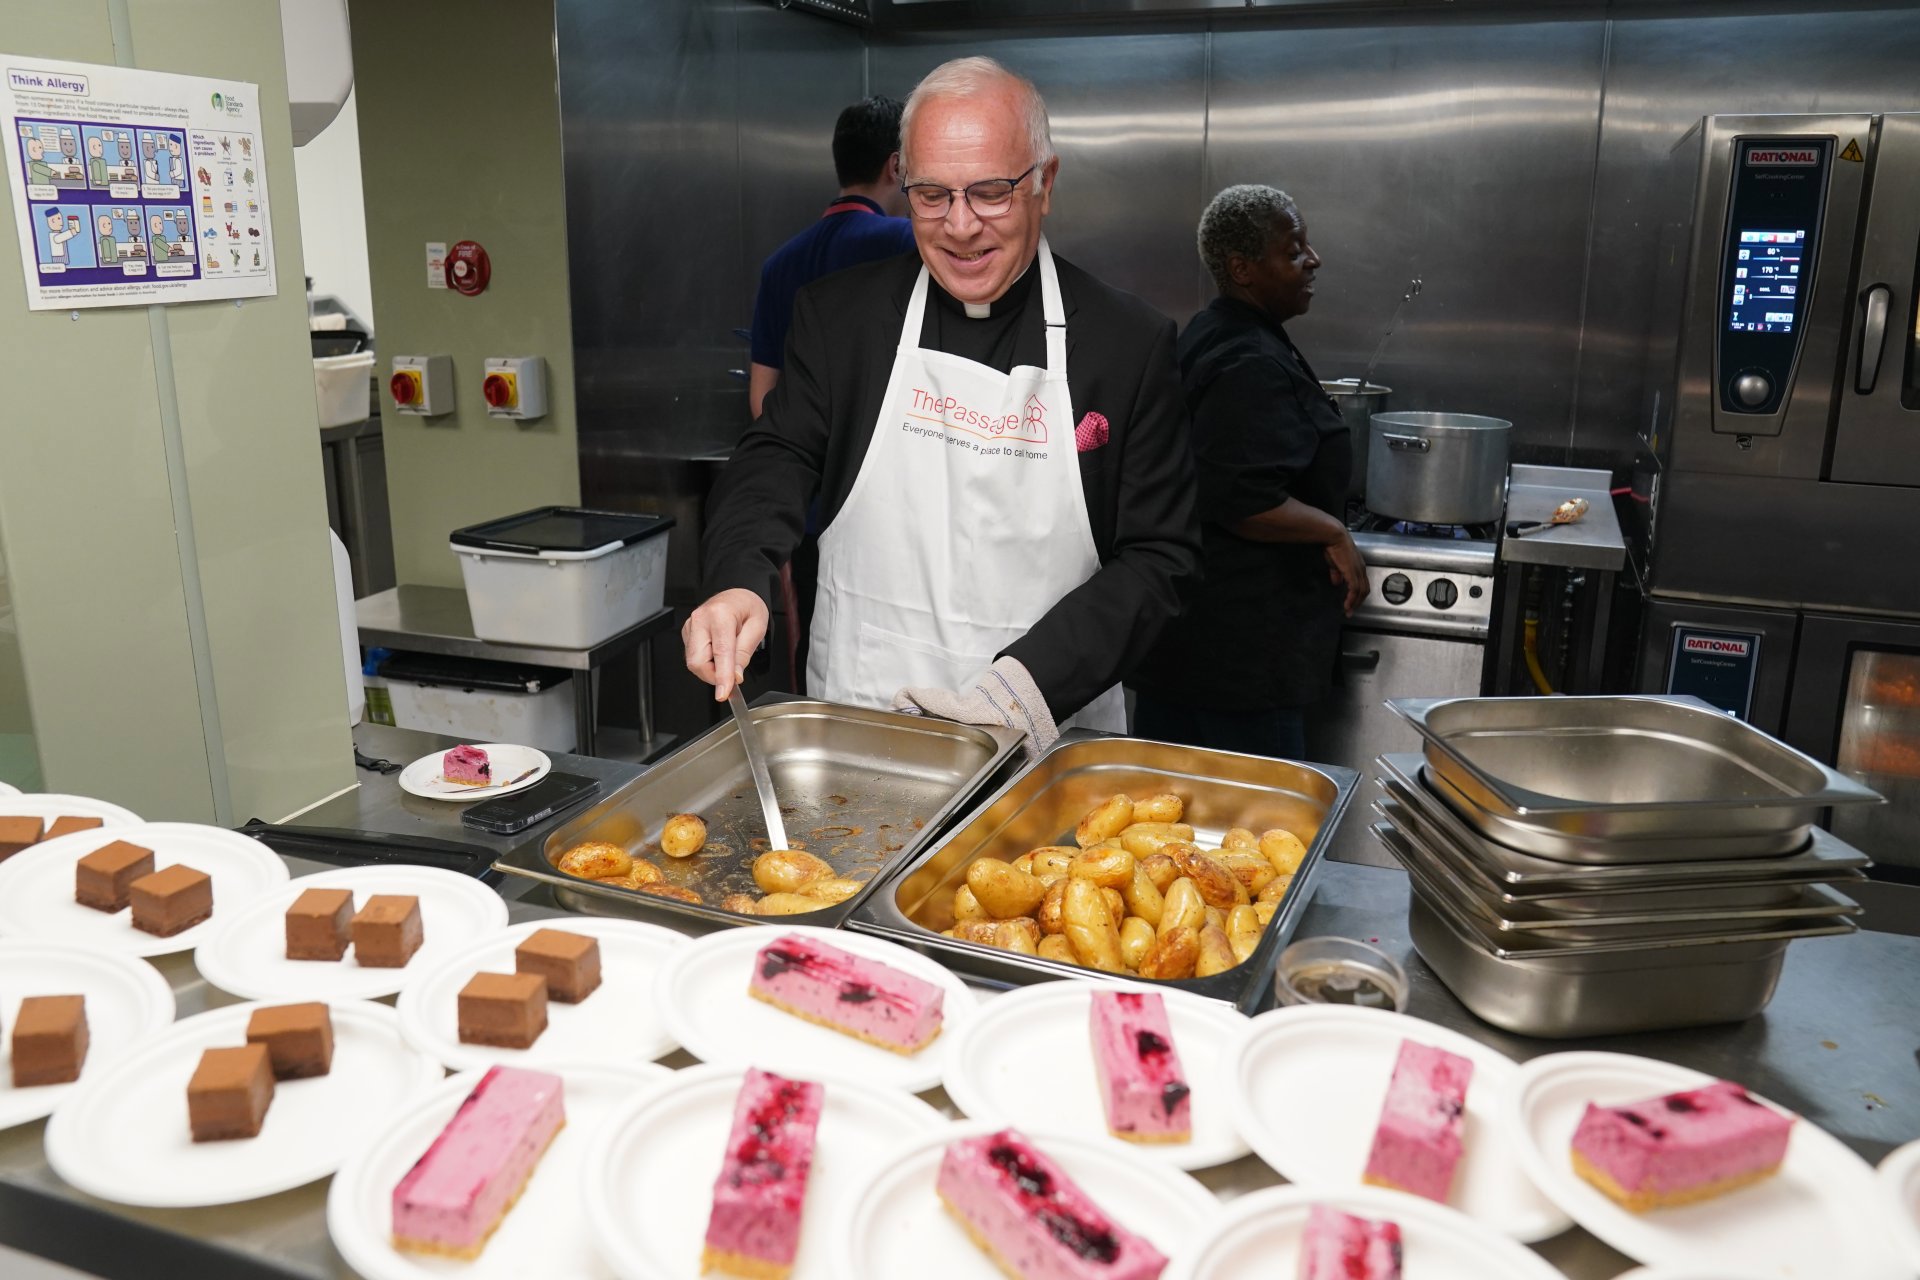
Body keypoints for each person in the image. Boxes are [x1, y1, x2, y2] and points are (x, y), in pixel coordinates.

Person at [687, 57, 1199, 750]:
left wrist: (1020, 688)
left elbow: (1159, 559)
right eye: (932, 195)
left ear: (1044, 183)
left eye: (990, 192)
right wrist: (737, 578)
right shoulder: (842, 319)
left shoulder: (1126, 344)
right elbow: (775, 454)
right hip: (863, 731)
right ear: (904, 183)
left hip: (1044, 735)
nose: (960, 226)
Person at [1128, 185, 1369, 760]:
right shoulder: (1248, 361)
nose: (1313, 260)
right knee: (1255, 829)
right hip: (1239, 660)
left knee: (1181, 816)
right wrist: (1333, 532)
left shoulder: (1220, 331)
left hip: (1199, 642)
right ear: (1242, 268)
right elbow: (1242, 497)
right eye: (1293, 250)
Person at [747, 96, 917, 418]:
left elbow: (762, 398)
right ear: (896, 167)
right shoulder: (905, 241)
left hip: (809, 453)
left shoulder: (779, 264)